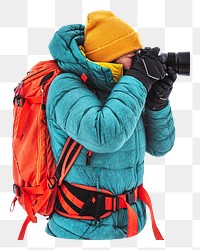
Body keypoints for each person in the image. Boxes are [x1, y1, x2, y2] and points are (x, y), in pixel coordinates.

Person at [45, 10, 176, 240]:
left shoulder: (124, 88)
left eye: (139, 54)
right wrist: (137, 80)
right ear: (107, 56)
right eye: (131, 55)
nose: (138, 62)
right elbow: (105, 135)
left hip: (130, 227)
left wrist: (157, 103)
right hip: (80, 230)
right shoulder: (65, 87)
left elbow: (160, 147)